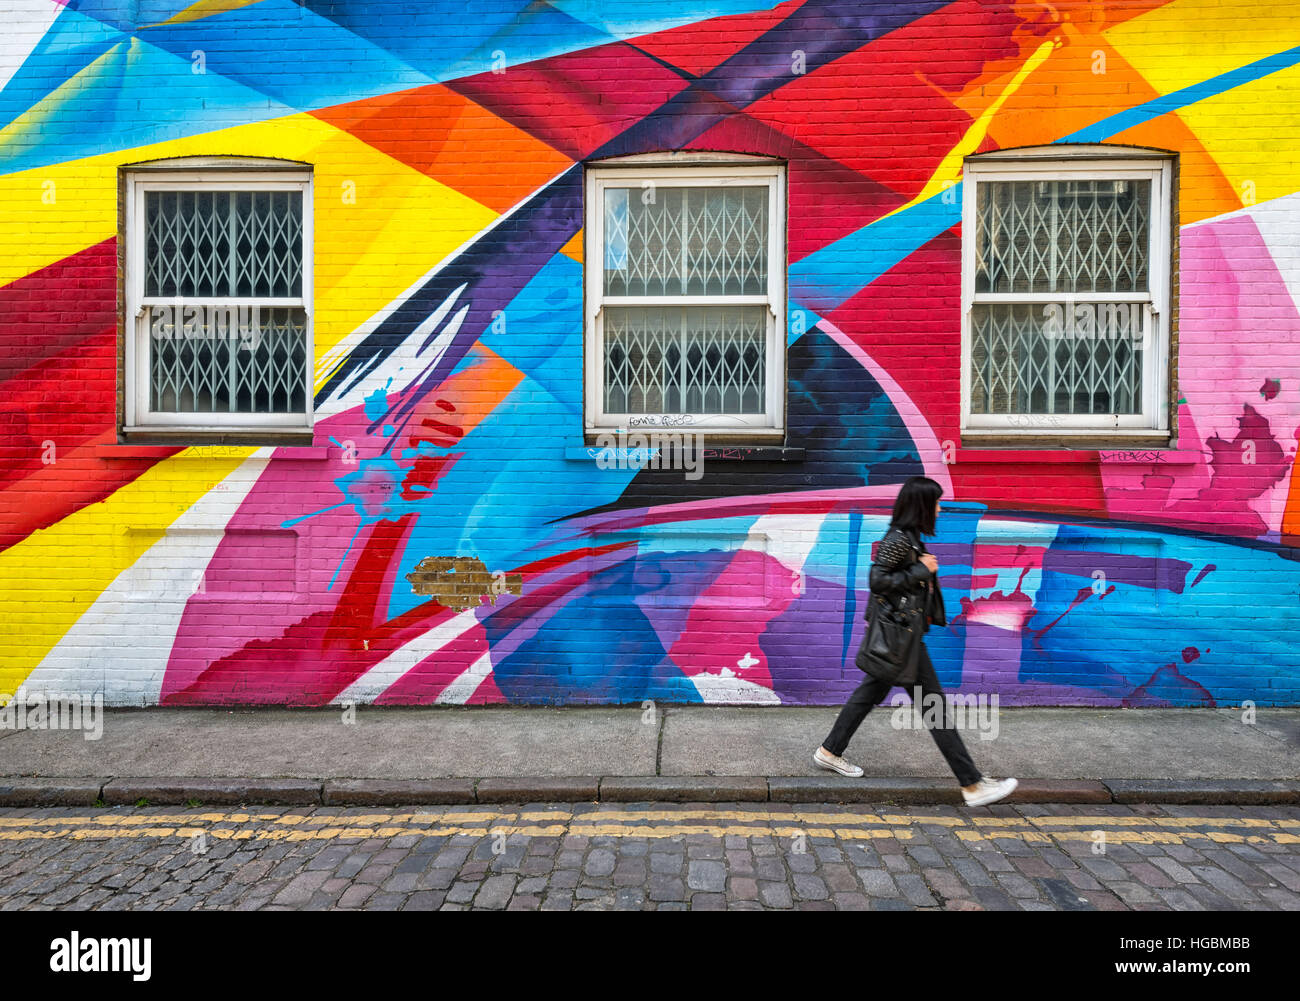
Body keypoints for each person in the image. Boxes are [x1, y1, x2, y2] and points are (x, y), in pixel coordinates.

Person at [812, 475, 1018, 807]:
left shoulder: (911, 539)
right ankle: (972, 784)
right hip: (902, 643)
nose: (939, 509)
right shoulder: (898, 539)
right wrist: (920, 571)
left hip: (904, 640)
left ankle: (830, 750)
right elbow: (878, 580)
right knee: (934, 708)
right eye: (935, 503)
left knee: (870, 695)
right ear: (921, 506)